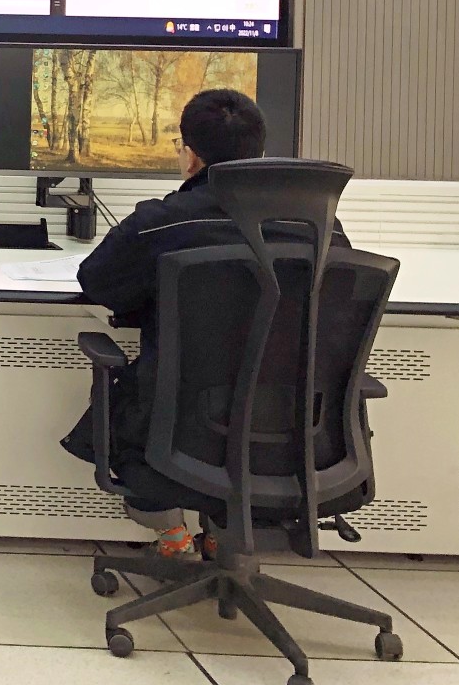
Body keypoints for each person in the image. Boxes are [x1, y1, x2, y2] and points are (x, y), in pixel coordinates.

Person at [60, 88, 348, 558]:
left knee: (132, 394)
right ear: (259, 153)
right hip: (300, 439)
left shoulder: (163, 223)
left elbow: (98, 282)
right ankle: (219, 537)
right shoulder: (324, 229)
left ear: (191, 156)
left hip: (176, 440)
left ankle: (173, 534)